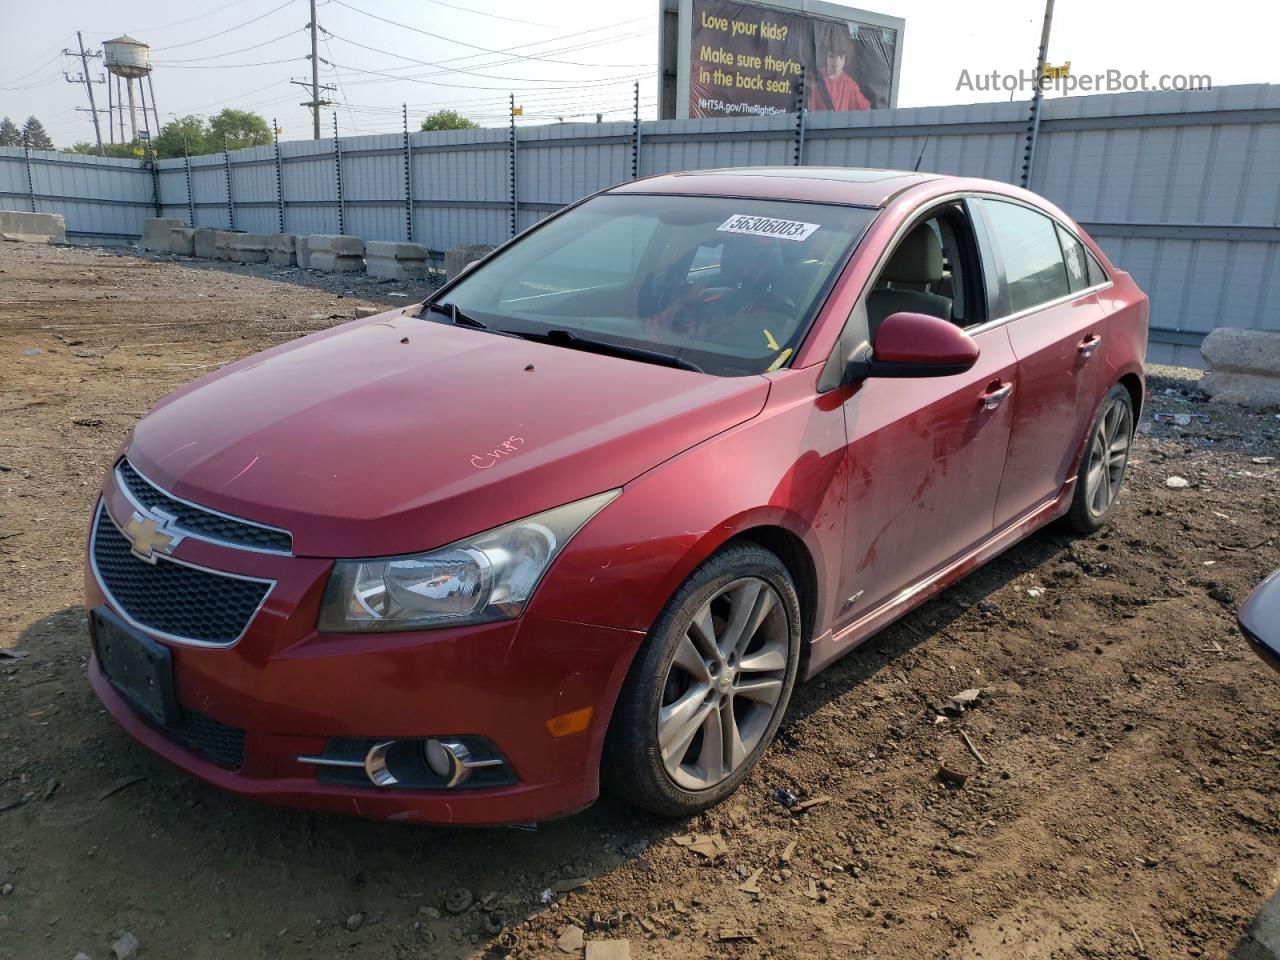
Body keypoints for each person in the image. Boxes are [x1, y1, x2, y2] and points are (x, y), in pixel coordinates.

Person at [809, 23, 871, 112]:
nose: (836, 63)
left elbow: (867, 112)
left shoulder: (850, 86)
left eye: (841, 57)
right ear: (825, 55)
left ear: (846, 58)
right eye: (831, 56)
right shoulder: (813, 78)